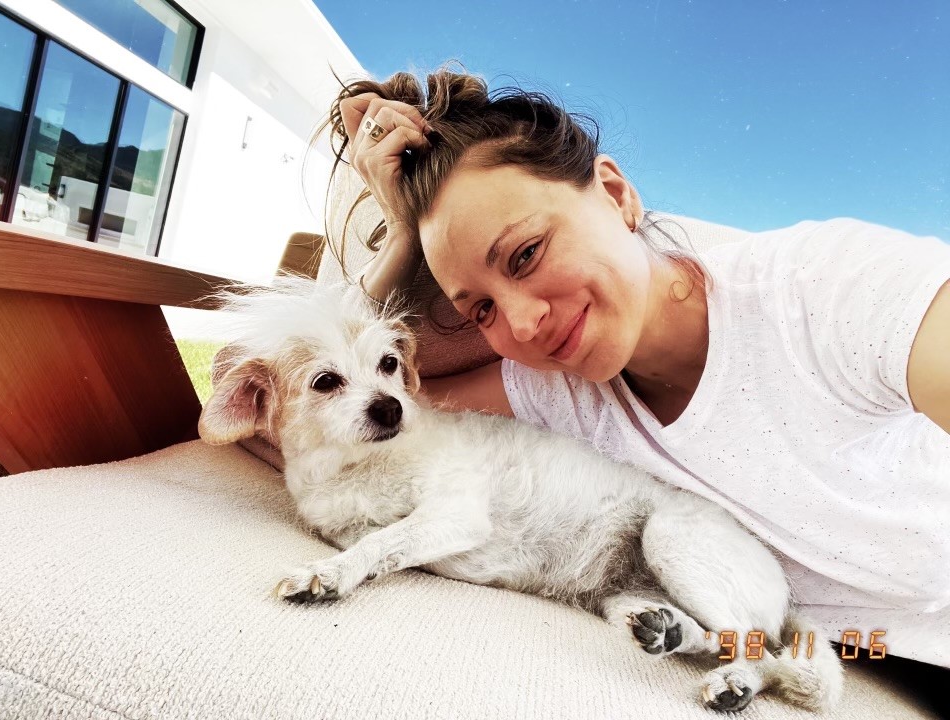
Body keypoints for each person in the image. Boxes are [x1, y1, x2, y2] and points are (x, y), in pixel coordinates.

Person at [323, 66, 950, 670]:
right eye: (481, 308)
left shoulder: (823, 286)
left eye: (527, 254)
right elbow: (380, 397)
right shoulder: (557, 392)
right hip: (849, 650)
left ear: (617, 195)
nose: (522, 324)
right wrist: (405, 231)